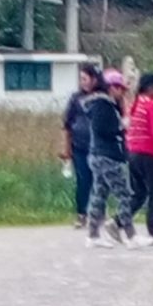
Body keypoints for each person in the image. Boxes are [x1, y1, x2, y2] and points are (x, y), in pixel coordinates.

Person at [109, 72, 153, 245]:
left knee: (140, 193)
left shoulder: (135, 105)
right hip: (148, 153)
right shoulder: (152, 105)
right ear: (150, 88)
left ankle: (117, 221)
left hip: (133, 153)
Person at [83, 68, 137, 249]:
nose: (122, 92)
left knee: (99, 194)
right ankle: (130, 235)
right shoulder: (103, 105)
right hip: (107, 155)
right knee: (124, 194)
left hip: (98, 154)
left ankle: (93, 235)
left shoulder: (101, 104)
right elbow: (103, 129)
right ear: (111, 87)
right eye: (119, 88)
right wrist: (121, 126)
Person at [62, 63, 99, 228]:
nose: (82, 82)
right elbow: (67, 124)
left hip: (98, 147)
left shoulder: (101, 97)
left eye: (85, 78)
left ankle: (97, 212)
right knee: (83, 180)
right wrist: (66, 149)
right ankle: (82, 213)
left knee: (98, 181)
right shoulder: (75, 99)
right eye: (81, 79)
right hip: (79, 146)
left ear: (93, 79)